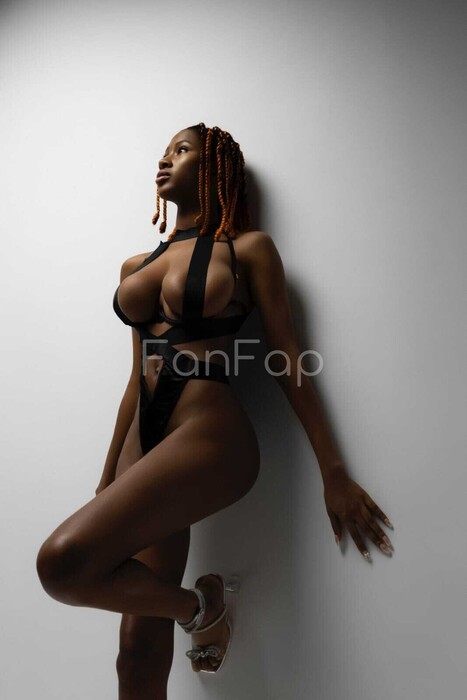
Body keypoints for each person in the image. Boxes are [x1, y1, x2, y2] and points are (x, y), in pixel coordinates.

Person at [36, 122, 394, 697]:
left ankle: (200, 611)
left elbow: (286, 356)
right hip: (145, 436)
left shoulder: (248, 250)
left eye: (181, 150)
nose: (164, 160)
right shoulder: (134, 267)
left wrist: (333, 472)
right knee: (135, 654)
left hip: (209, 432)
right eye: (163, 151)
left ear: (214, 169)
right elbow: (135, 376)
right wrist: (106, 481)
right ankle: (201, 611)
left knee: (61, 564)